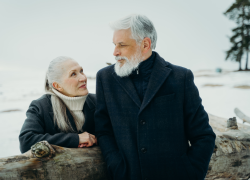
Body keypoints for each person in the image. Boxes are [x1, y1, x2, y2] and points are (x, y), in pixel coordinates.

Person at [94, 14, 216, 180]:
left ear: (145, 44)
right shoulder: (105, 78)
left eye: (122, 45)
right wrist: (117, 166)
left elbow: (203, 135)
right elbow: (103, 130)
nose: (115, 52)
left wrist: (190, 173)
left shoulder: (181, 77)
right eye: (115, 44)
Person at [19, 56, 97, 153]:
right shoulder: (41, 107)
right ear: (57, 86)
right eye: (73, 74)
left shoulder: (97, 101)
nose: (83, 77)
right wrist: (75, 139)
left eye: (81, 71)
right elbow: (26, 142)